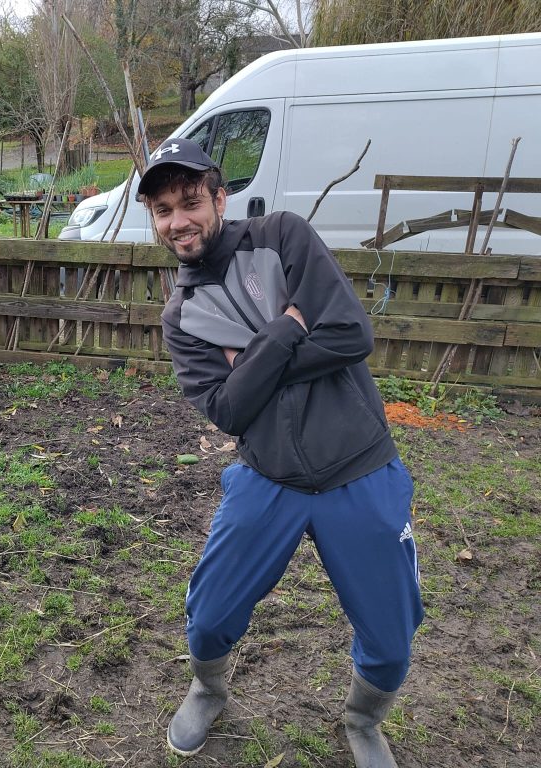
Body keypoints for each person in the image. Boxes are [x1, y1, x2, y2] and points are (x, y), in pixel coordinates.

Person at [140, 137, 424, 768]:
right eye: (163, 210)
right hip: (267, 476)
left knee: (391, 631)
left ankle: (363, 719)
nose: (179, 220)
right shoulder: (182, 316)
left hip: (359, 467)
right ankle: (208, 689)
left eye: (190, 202)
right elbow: (227, 410)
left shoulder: (283, 237)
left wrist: (250, 363)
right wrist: (290, 326)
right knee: (210, 613)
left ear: (219, 198)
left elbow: (351, 335)